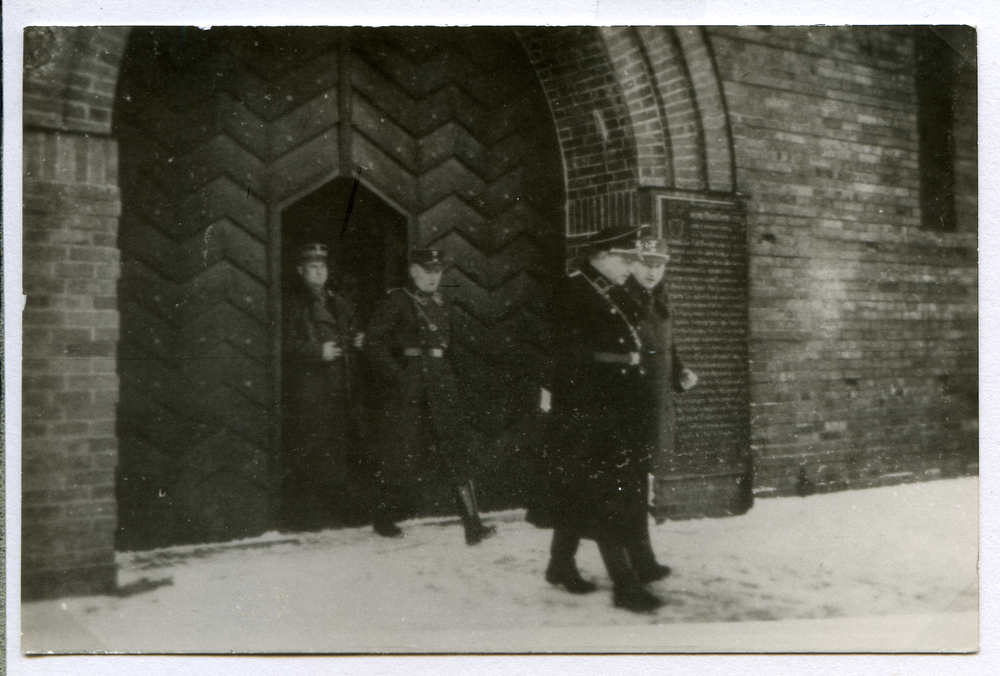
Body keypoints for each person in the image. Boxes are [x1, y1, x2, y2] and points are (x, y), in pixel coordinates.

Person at [530, 225, 666, 613]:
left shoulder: (610, 288)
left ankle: (559, 565)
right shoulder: (572, 289)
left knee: (580, 493)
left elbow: (635, 328)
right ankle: (624, 587)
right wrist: (587, 411)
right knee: (609, 493)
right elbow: (564, 354)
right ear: (601, 256)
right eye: (625, 259)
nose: (631, 266)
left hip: (618, 401)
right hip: (590, 408)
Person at [365, 249, 497, 545]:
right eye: (427, 271)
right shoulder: (396, 300)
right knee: (401, 454)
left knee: (456, 452)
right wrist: (399, 376)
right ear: (413, 271)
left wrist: (456, 385)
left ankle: (473, 525)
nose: (433, 276)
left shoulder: (442, 302)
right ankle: (383, 518)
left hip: (441, 386)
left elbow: (451, 349)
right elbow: (373, 343)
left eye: (438, 271)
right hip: (408, 389)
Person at [618, 236, 698, 584]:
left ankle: (561, 562)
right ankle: (639, 559)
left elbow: (668, 343)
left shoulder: (661, 297)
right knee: (629, 484)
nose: (652, 271)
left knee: (638, 480)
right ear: (631, 264)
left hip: (655, 401)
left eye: (659, 265)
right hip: (630, 403)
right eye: (645, 263)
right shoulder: (620, 300)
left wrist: (680, 371)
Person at [281, 243, 368, 531]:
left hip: (340, 388)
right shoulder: (291, 303)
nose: (319, 272)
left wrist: (357, 341)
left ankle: (339, 516)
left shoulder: (337, 301)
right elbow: (283, 344)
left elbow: (351, 332)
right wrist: (317, 352)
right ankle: (311, 520)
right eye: (313, 267)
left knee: (339, 451)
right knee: (312, 451)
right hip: (311, 391)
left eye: (323, 267)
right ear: (300, 270)